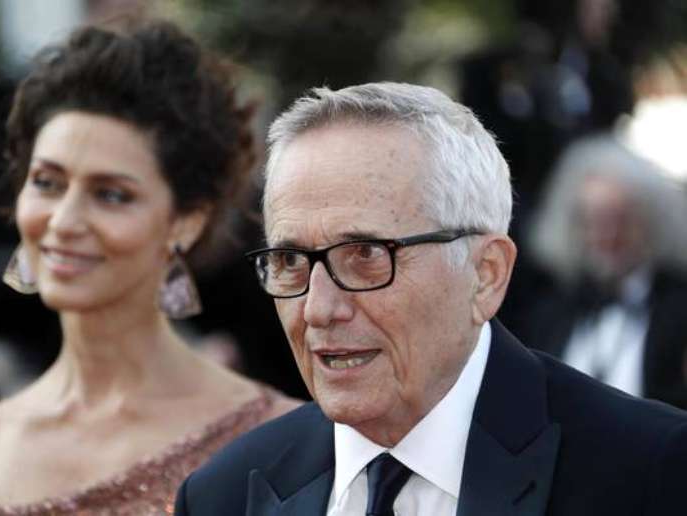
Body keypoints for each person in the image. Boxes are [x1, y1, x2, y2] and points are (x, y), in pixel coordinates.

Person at [174, 83, 687, 516]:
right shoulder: (224, 494)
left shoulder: (649, 471)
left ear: (486, 275)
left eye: (366, 255)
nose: (318, 309)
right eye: (289, 261)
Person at [0, 20, 298, 515]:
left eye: (111, 194)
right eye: (48, 183)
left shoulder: (281, 446)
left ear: (185, 221)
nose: (65, 220)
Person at [523, 134, 687, 408]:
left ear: (649, 221)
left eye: (620, 220)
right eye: (592, 221)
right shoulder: (552, 314)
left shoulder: (679, 308)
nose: (606, 236)